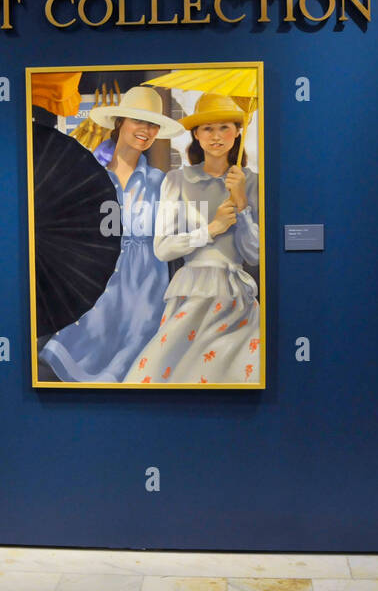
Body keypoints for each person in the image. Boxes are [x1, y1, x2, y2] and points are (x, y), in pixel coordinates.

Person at [40, 86, 185, 382]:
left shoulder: (162, 183)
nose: (146, 130)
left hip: (147, 289)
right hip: (99, 286)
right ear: (120, 122)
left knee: (135, 355)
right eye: (138, 121)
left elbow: (175, 238)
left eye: (153, 124)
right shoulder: (89, 177)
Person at [124, 92, 261, 384]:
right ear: (196, 135)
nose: (216, 136)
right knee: (168, 373)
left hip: (235, 298)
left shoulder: (252, 182)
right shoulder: (177, 180)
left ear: (238, 132)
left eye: (224, 127)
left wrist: (242, 204)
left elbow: (255, 254)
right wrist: (211, 229)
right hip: (191, 294)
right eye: (207, 128)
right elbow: (162, 249)